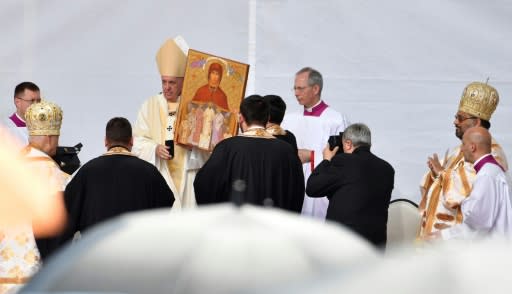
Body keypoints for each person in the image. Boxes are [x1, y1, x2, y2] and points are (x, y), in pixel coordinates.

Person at [59, 117, 174, 245]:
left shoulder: (87, 171)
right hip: (137, 252)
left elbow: (67, 211)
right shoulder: (149, 171)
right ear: (131, 141)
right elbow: (166, 205)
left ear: (105, 141)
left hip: (96, 252)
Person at [418, 81, 509, 239]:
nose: (455, 122)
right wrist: (434, 175)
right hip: (438, 236)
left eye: (460, 118)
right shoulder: (456, 150)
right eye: (456, 117)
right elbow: (439, 181)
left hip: (458, 239)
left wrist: (442, 174)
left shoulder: (491, 155)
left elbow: (475, 203)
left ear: (477, 122)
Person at [133, 36, 209, 209]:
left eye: (172, 83)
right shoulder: (149, 105)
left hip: (189, 175)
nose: (167, 87)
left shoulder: (196, 107)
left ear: (183, 82)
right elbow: (137, 141)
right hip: (161, 174)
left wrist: (195, 146)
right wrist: (154, 149)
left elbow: (210, 147)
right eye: (164, 82)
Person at [0, 100, 68, 292]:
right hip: (37, 272)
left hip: (4, 269)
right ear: (49, 137)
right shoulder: (55, 174)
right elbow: (58, 229)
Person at [194, 95, 304, 212]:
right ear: (267, 119)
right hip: (274, 225)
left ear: (240, 118)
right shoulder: (287, 150)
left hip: (238, 224)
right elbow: (297, 190)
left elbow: (204, 185)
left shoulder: (227, 147)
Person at [306, 123, 394, 247]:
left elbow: (312, 188)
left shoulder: (343, 162)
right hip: (376, 244)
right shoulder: (387, 169)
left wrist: (326, 160)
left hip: (345, 244)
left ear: (348, 144)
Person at [282, 67, 350, 219]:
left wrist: (312, 156)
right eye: (294, 88)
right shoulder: (289, 119)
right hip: (293, 183)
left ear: (315, 88)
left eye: (300, 88)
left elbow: (342, 159)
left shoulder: (336, 119)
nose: (296, 93)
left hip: (320, 186)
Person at [433, 127, 512, 240]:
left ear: (472, 147)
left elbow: (479, 223)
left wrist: (444, 235)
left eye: (463, 144)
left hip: (493, 249)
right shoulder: (492, 170)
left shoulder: (486, 175)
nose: (461, 149)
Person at [0, 81, 41, 147]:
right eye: (32, 101)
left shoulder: (44, 128)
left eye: (38, 101)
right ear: (17, 102)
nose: (36, 105)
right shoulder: (4, 129)